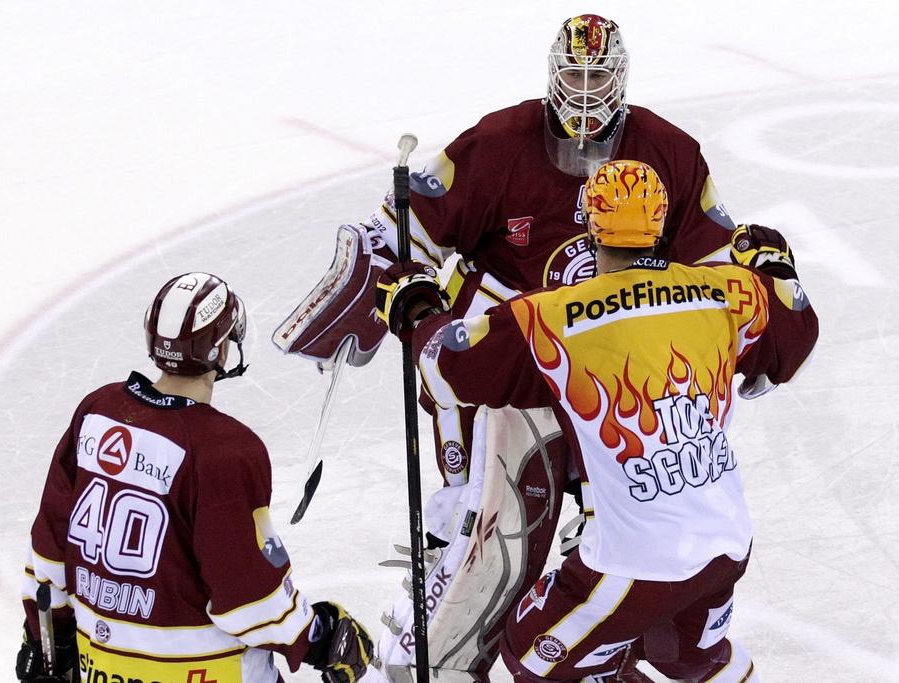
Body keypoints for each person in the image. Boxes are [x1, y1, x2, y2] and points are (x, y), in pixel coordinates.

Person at [274, 14, 743, 679]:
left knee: (611, 486)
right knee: (475, 475)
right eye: (572, 76)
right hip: (512, 349)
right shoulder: (498, 144)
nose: (584, 93)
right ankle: (455, 546)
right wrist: (375, 290)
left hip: (606, 356)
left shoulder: (668, 152)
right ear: (551, 77)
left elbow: (715, 271)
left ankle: (589, 568)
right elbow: (400, 236)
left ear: (623, 80)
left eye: (597, 77)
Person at [375, 160, 819, 682]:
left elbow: (447, 369)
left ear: (588, 225)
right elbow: (797, 333)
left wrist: (414, 306)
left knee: (532, 653)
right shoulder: (724, 292)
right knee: (686, 655)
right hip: (727, 542)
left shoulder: (553, 316)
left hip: (636, 564)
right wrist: (776, 269)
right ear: (662, 222)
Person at [15, 272, 374, 683]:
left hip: (100, 669)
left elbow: (49, 545)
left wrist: (44, 639)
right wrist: (317, 635)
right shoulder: (225, 450)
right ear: (220, 350)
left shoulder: (98, 412)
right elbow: (247, 596)